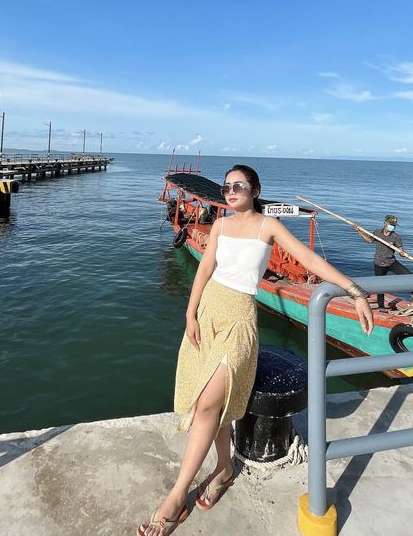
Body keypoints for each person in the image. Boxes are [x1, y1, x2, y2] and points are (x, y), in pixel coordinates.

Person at [137, 165, 374, 536]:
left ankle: (176, 495)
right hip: (207, 313)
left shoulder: (268, 226)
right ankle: (224, 468)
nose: (231, 191)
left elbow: (308, 260)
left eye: (238, 186)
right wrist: (190, 312)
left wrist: (355, 290)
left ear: (254, 189)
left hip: (238, 319)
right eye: (226, 186)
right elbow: (204, 271)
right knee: (212, 402)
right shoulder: (218, 225)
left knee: (207, 405)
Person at [352, 215, 411, 311]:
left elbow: (400, 249)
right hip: (379, 264)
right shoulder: (377, 232)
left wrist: (402, 253)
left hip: (391, 262)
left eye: (394, 225)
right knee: (379, 286)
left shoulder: (395, 236)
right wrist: (359, 231)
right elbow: (370, 240)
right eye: (391, 224)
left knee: (409, 275)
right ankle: (381, 306)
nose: (393, 227)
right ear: (385, 223)